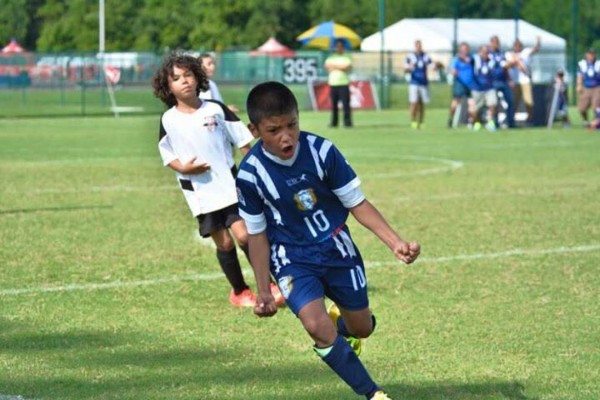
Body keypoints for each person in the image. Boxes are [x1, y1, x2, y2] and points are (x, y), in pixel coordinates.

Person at [236, 81, 420, 400]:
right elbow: (257, 235)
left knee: (362, 327)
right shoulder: (250, 175)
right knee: (316, 327)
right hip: (291, 258)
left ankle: (345, 325)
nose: (286, 136)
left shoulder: (322, 151)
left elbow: (357, 202)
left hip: (337, 248)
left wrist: (395, 242)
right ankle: (374, 394)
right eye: (274, 129)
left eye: (292, 125)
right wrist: (264, 290)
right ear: (254, 130)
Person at [151, 53, 283, 308]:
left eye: (188, 74)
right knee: (223, 242)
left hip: (230, 186)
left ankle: (269, 285)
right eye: (176, 78)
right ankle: (239, 291)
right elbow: (167, 155)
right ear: (168, 87)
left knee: (244, 236)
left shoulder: (215, 109)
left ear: (198, 77)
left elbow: (243, 139)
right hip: (200, 192)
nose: (184, 81)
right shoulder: (169, 119)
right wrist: (184, 168)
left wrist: (258, 166)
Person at [507, 37, 541, 124]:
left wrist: (538, 42)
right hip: (515, 81)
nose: (517, 47)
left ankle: (530, 119)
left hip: (525, 80)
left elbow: (535, 49)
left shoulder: (525, 52)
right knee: (514, 102)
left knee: (528, 101)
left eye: (519, 45)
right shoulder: (509, 54)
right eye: (516, 45)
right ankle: (511, 119)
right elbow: (510, 64)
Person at [404, 40, 432, 129]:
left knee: (422, 103)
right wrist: (410, 68)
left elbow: (432, 65)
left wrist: (437, 66)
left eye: (420, 46)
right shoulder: (410, 57)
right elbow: (405, 69)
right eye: (417, 46)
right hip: (414, 83)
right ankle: (413, 121)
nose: (418, 47)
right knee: (413, 103)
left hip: (423, 83)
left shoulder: (426, 56)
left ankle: (421, 121)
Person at [325, 39, 353, 128]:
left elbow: (347, 67)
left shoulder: (347, 57)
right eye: (337, 47)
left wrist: (335, 66)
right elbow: (327, 67)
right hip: (333, 83)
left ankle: (347, 122)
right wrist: (340, 67)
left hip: (343, 83)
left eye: (341, 47)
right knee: (334, 104)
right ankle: (334, 122)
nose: (339, 48)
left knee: (346, 104)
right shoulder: (331, 57)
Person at [489, 35, 515, 128]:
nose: (495, 45)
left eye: (497, 43)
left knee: (510, 101)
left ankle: (510, 122)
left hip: (503, 81)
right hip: (492, 82)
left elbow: (506, 68)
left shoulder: (502, 54)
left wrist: (510, 79)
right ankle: (495, 122)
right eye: (494, 43)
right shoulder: (488, 54)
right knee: (495, 103)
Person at [448, 42, 475, 128]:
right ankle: (450, 119)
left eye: (466, 49)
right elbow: (451, 69)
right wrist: (454, 72)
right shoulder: (456, 59)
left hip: (470, 84)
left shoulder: (471, 58)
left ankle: (470, 122)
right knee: (455, 103)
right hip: (459, 84)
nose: (465, 51)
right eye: (463, 49)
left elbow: (470, 61)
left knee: (471, 104)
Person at [471, 45, 498, 131]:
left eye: (487, 52)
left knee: (492, 104)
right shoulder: (476, 60)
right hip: (478, 88)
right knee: (477, 108)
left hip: (489, 87)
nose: (485, 54)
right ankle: (477, 123)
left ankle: (491, 122)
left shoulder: (492, 61)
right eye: (483, 52)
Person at [576, 48, 600, 127]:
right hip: (586, 87)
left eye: (592, 54)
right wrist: (579, 85)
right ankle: (586, 121)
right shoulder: (582, 64)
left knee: (596, 107)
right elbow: (579, 75)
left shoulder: (598, 64)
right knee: (581, 108)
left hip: (596, 87)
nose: (591, 56)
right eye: (589, 54)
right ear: (586, 55)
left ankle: (595, 123)